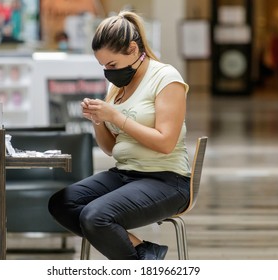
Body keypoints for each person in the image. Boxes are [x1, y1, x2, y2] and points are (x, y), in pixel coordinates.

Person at [48, 10, 191, 260]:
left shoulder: (166, 78)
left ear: (134, 50)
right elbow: (111, 148)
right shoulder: (117, 86)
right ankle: (143, 252)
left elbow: (166, 143)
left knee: (96, 216)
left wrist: (116, 117)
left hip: (167, 180)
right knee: (62, 203)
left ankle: (139, 265)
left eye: (112, 65)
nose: (108, 71)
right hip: (126, 174)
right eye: (103, 66)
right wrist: (98, 121)